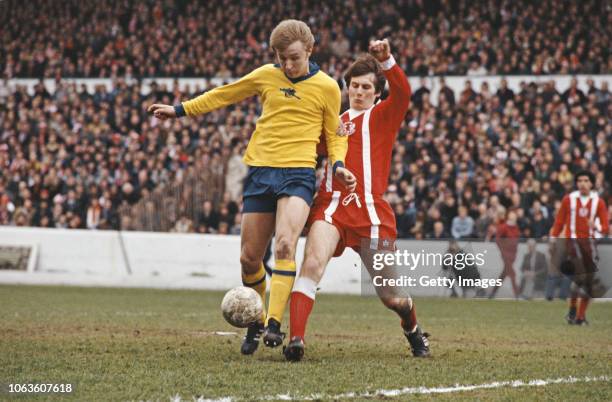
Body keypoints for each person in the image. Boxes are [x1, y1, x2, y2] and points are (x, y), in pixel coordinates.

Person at [148, 19, 357, 354]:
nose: (286, 65)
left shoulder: (328, 87)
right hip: (260, 171)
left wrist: (340, 166)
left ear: (310, 50)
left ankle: (275, 323)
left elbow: (334, 135)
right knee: (249, 259)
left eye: (293, 57)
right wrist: (179, 111)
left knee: (286, 246)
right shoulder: (266, 75)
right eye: (280, 58)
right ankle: (257, 321)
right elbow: (224, 94)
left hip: (298, 173)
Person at [284, 39, 430, 361]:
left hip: (371, 214)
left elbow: (404, 93)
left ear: (377, 92)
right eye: (354, 85)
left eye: (366, 87)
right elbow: (303, 147)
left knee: (392, 297)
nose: (359, 91)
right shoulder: (333, 123)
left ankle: (413, 329)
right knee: (311, 263)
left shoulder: (383, 116)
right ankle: (296, 340)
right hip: (332, 206)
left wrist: (388, 60)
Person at [549, 170, 609, 325]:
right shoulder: (569, 199)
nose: (582, 183)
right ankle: (577, 315)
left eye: (586, 180)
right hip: (573, 242)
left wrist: (594, 226)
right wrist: (553, 239)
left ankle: (576, 314)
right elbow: (559, 222)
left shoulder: (599, 202)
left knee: (585, 282)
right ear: (576, 183)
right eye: (580, 180)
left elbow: (604, 228)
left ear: (591, 183)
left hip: (590, 244)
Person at [489, 209, 520, 299]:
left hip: (513, 254)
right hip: (506, 254)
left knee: (504, 275)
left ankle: (492, 294)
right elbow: (498, 240)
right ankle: (517, 294)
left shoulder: (516, 227)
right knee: (512, 274)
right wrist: (503, 250)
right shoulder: (503, 227)